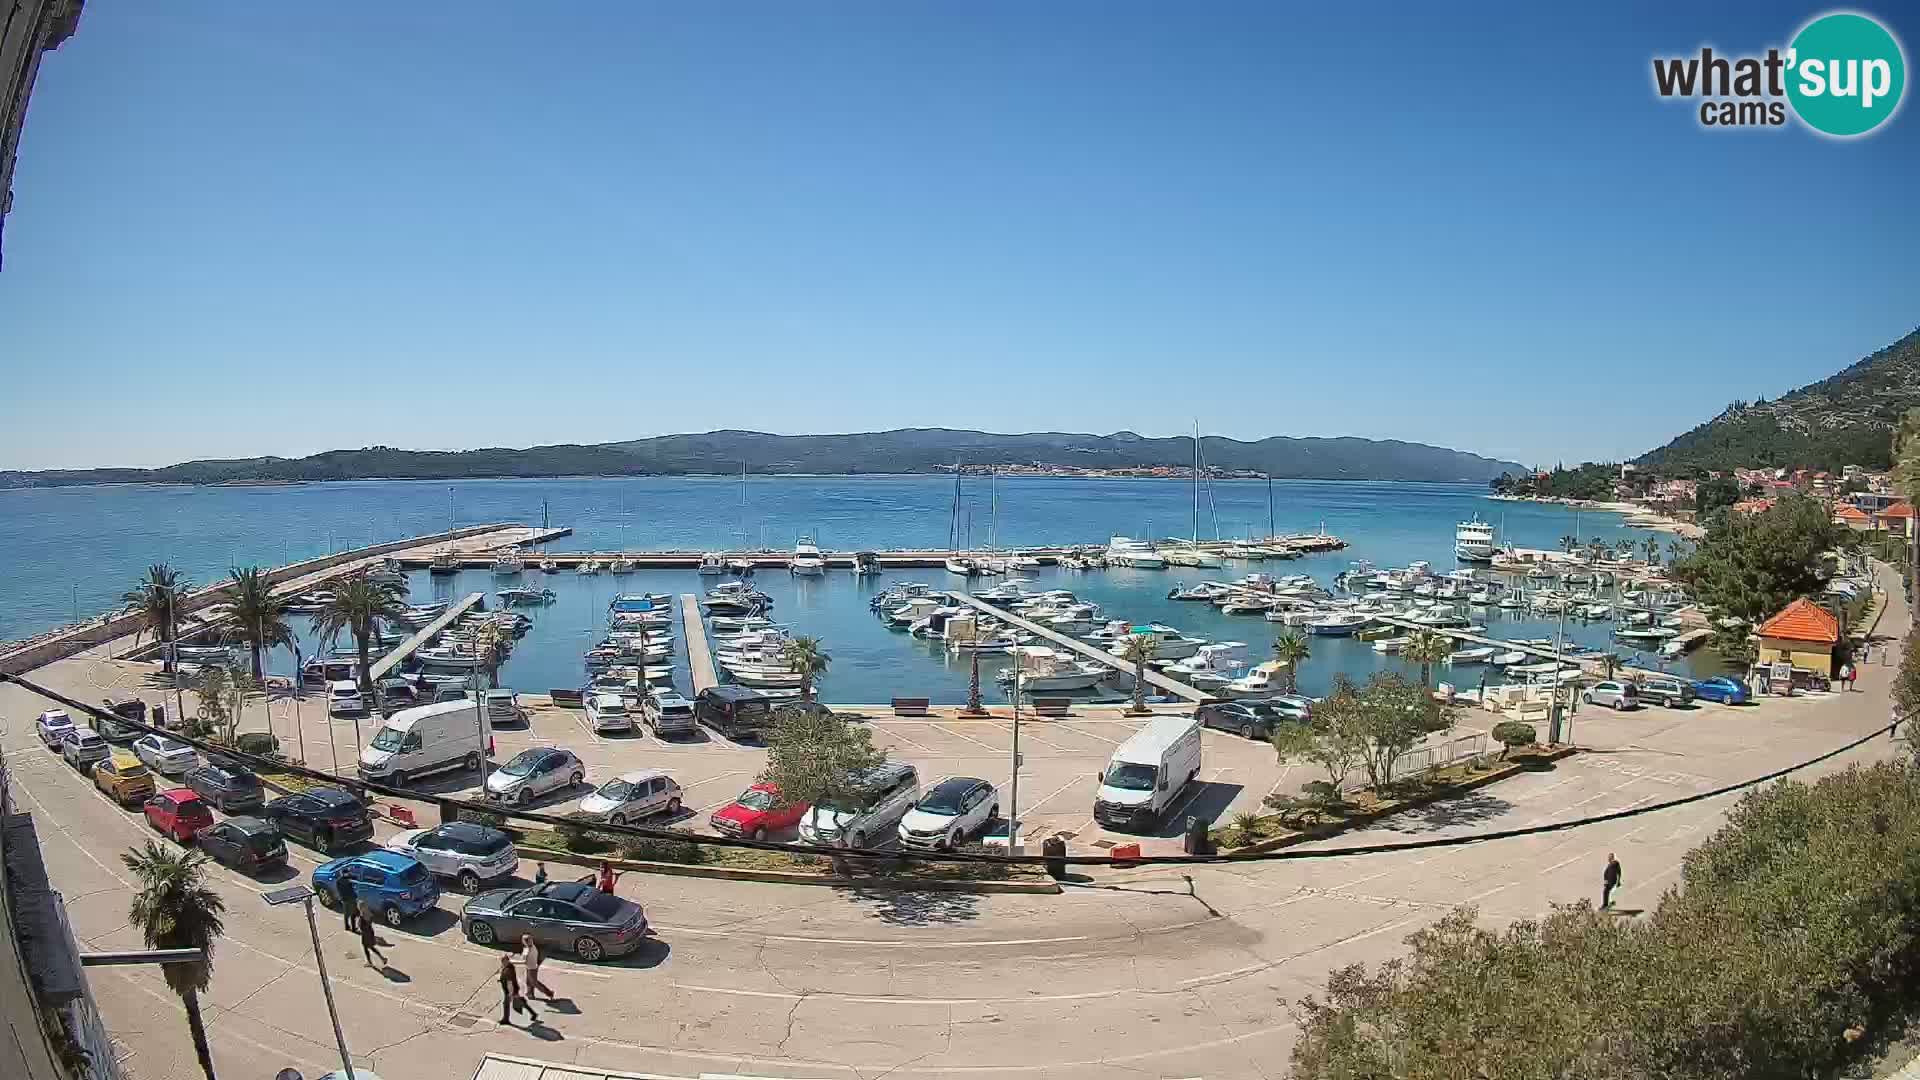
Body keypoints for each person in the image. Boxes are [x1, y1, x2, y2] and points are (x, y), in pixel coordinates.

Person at [498, 953, 538, 1025]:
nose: (502, 962)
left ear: (505, 961)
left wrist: (510, 994)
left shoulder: (508, 971)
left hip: (510, 990)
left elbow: (510, 983)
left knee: (506, 1004)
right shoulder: (509, 965)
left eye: (502, 961)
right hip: (513, 989)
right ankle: (533, 1013)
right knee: (520, 1002)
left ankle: (506, 1020)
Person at [519, 934, 554, 1001]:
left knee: (535, 983)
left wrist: (511, 962)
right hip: (533, 966)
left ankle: (549, 993)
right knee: (529, 981)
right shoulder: (533, 946)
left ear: (524, 941)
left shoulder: (527, 950)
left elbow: (523, 961)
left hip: (531, 968)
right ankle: (530, 994)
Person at [357, 901, 386, 967]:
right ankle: (382, 958)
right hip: (370, 932)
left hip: (365, 934)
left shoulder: (362, 916)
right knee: (371, 947)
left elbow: (362, 927)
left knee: (366, 947)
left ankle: (370, 962)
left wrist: (359, 924)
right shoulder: (369, 913)